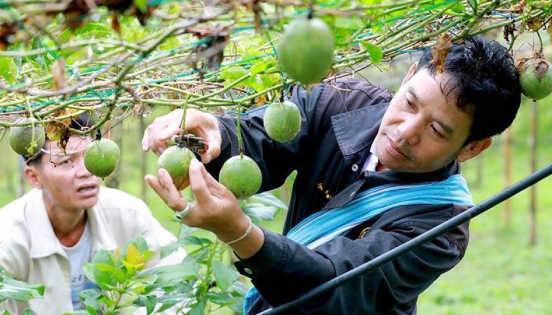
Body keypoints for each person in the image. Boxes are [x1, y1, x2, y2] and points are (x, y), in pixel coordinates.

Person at [142, 35, 521, 315]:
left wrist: (239, 232)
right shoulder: (341, 100)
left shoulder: (439, 229)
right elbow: (263, 140)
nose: (406, 131)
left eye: (437, 131)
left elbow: (335, 286)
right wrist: (217, 134)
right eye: (408, 103)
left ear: (473, 147)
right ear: (407, 76)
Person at [0, 113, 186, 314]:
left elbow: (179, 273)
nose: (86, 170)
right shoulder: (8, 237)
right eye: (65, 161)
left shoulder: (128, 214)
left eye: (89, 155)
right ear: (34, 178)